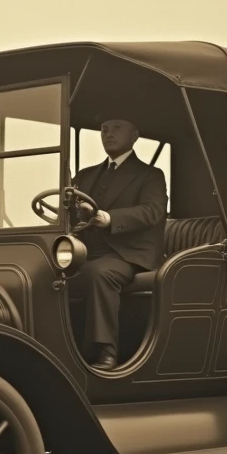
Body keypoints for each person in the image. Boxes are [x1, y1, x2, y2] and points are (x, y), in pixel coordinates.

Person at [69, 117, 167, 370]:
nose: (108, 134)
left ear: (134, 136)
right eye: (103, 129)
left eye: (116, 128)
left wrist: (110, 218)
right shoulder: (85, 175)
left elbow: (152, 211)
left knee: (101, 273)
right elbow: (70, 213)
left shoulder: (151, 175)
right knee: (44, 272)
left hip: (129, 255)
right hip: (87, 251)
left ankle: (105, 353)